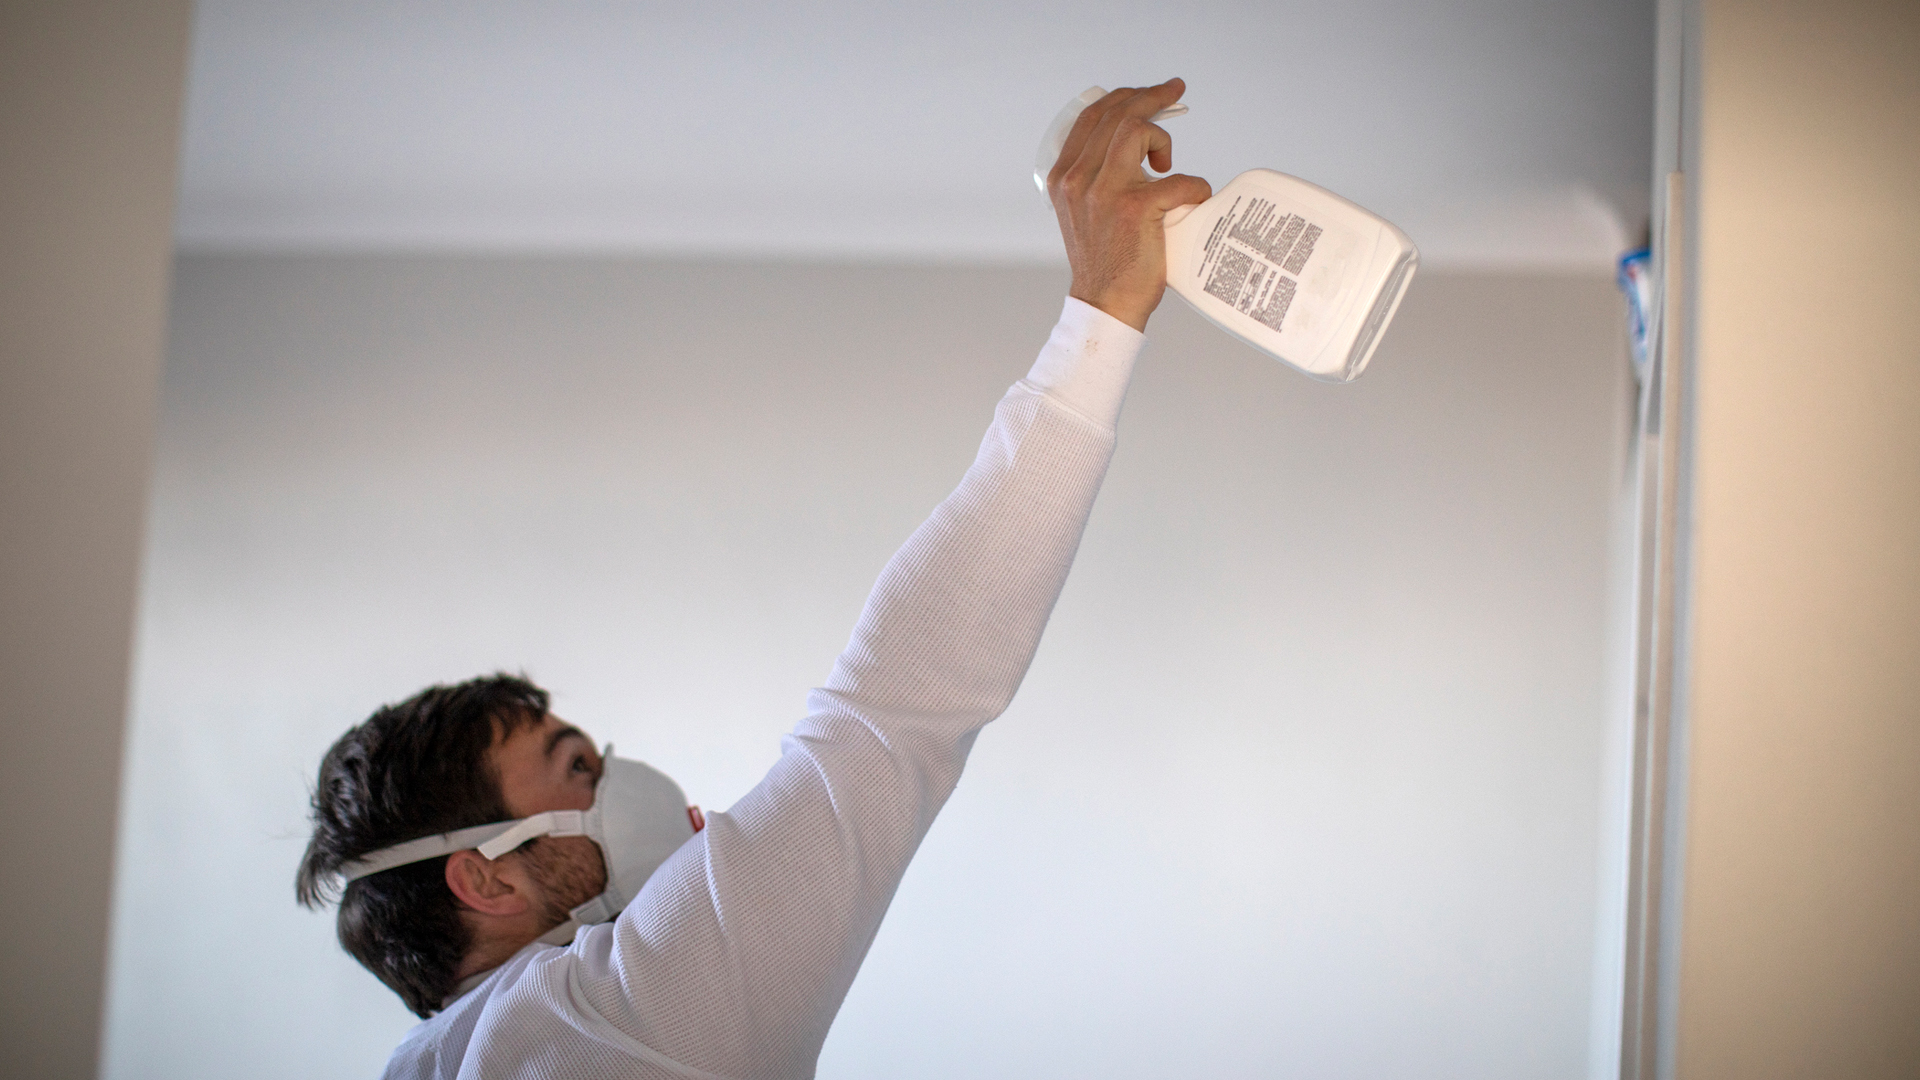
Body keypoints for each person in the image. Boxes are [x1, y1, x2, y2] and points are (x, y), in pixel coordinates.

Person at [297, 79, 1211, 1080]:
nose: (628, 784)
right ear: (484, 879)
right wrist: (1102, 316)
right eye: (577, 773)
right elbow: (892, 712)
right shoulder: (614, 1009)